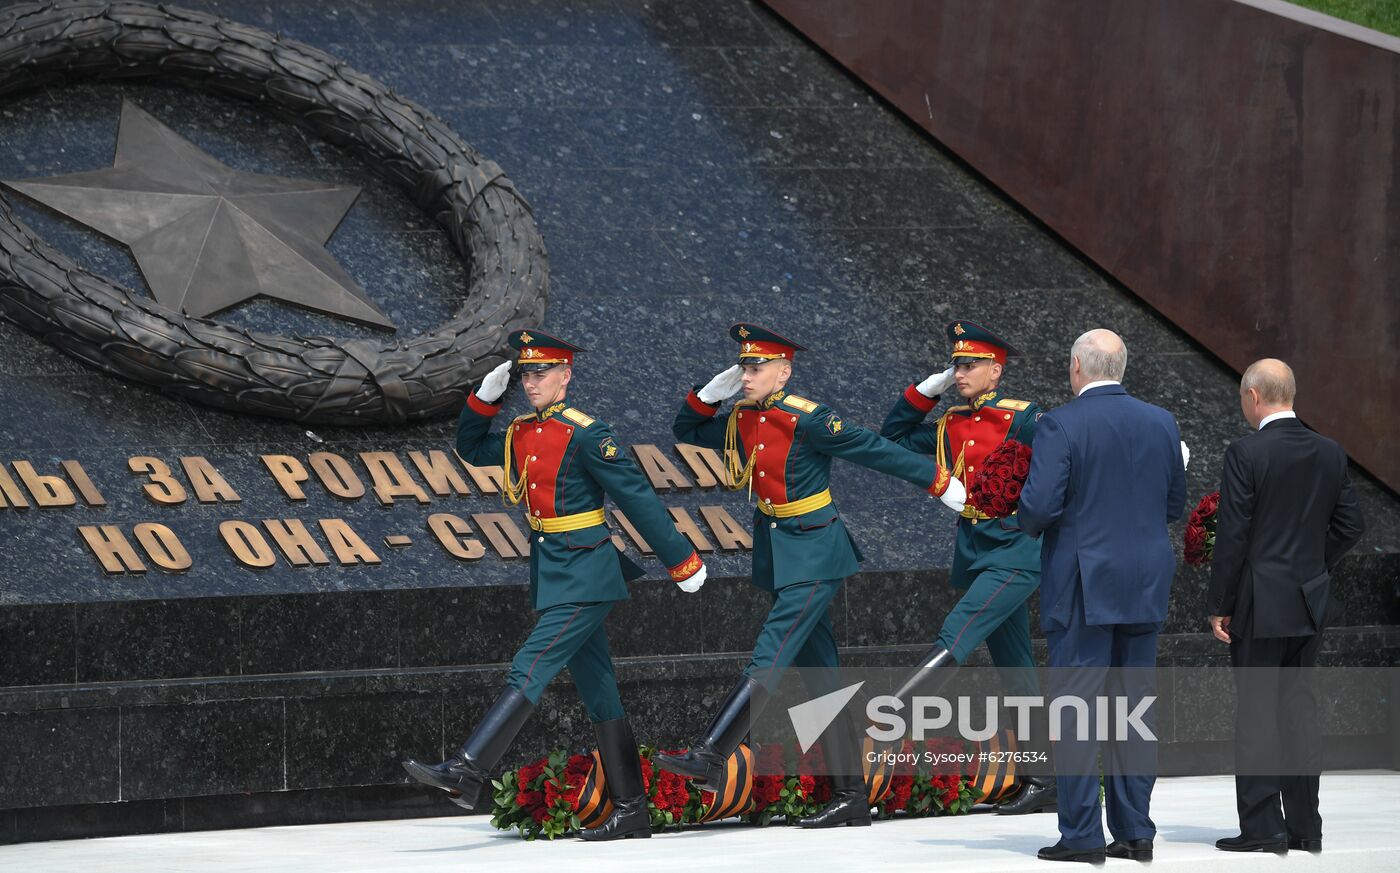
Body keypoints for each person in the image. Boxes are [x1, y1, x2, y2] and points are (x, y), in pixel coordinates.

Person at [400, 330, 707, 842]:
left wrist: (681, 561)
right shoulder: (522, 431)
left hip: (587, 569)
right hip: (552, 565)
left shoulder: (588, 433)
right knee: (599, 693)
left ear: (566, 377)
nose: (531, 382)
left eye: (541, 373)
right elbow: (472, 449)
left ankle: (469, 767)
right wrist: (485, 399)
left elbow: (636, 498)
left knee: (534, 660)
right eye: (525, 374)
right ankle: (631, 809)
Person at [654, 323, 958, 829]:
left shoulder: (808, 419)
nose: (747, 375)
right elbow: (686, 431)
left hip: (816, 551)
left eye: (756, 368)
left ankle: (712, 751)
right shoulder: (744, 418)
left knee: (773, 648)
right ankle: (851, 795)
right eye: (743, 367)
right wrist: (710, 394)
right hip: (781, 552)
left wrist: (937, 480)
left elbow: (873, 449)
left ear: (784, 371)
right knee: (822, 676)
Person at [1018, 329, 1187, 864]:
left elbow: (1041, 507)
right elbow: (1175, 504)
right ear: (1122, 367)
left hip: (1083, 587)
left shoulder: (1060, 423)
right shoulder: (1162, 422)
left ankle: (1083, 836)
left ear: (1075, 367)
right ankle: (1136, 832)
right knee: (1134, 712)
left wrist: (1015, 512)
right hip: (1143, 582)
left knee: (1076, 713)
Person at [878, 319, 1055, 815]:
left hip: (1017, 551)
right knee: (1017, 670)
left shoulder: (1024, 418)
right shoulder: (951, 420)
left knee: (959, 627)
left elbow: (1068, 458)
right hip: (978, 549)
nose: (960, 372)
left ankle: (890, 719)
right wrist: (924, 391)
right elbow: (892, 435)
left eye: (970, 365)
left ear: (995, 372)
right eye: (955, 364)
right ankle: (1044, 778)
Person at [1208, 358, 1365, 856]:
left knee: (1256, 713)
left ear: (1254, 396)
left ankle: (1262, 827)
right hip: (1308, 600)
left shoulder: (1246, 452)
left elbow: (1233, 535)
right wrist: (1313, 568)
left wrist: (1220, 603)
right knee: (1299, 711)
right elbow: (1351, 524)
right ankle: (1305, 826)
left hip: (1258, 601)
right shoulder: (1329, 450)